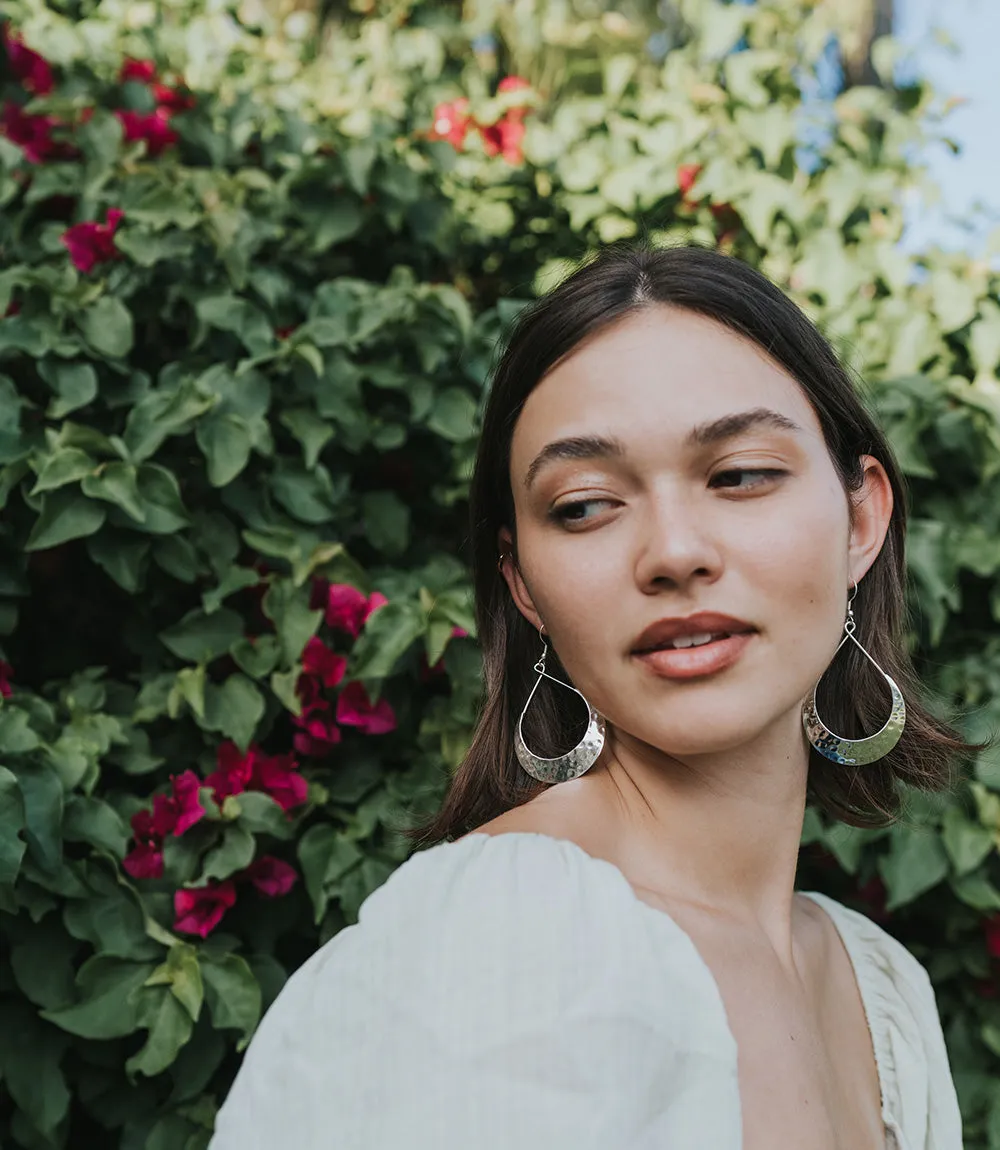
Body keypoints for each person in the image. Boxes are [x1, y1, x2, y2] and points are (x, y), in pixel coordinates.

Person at [210, 244, 971, 1150]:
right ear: (523, 582)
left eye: (739, 475)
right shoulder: (502, 937)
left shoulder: (881, 990)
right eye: (583, 505)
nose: (674, 551)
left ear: (860, 519)